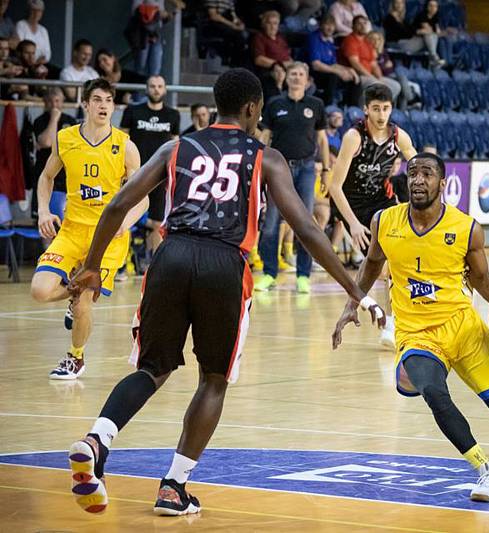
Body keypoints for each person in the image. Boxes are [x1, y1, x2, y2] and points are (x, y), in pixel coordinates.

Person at [65, 68, 385, 516]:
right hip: (224, 264)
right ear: (253, 109)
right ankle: (174, 487)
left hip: (170, 256)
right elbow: (307, 228)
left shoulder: (177, 145)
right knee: (214, 378)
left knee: (152, 367)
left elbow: (119, 204)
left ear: (216, 104)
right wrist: (357, 291)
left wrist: (94, 267)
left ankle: (98, 438)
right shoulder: (265, 156)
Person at [332, 153, 489, 502]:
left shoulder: (466, 228)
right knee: (435, 394)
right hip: (415, 333)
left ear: (442, 183)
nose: (418, 180)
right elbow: (372, 264)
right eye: (413, 174)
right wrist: (352, 303)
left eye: (427, 174)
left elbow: (484, 281)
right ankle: (487, 471)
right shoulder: (385, 221)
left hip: (463, 329)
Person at [30, 78, 147, 380]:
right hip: (71, 230)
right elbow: (46, 177)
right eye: (97, 99)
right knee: (40, 291)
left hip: (107, 238)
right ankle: (74, 289)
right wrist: (44, 211)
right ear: (85, 104)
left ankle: (75, 357)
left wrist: (126, 221)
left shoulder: (125, 146)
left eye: (109, 100)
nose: (104, 105)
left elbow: (142, 198)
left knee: (83, 305)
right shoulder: (65, 138)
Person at [329, 83, 415, 347]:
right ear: (366, 109)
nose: (381, 114)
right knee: (377, 267)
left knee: (395, 263)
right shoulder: (354, 137)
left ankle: (391, 323)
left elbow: (418, 162)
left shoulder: (398, 136)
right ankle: (371, 309)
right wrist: (352, 224)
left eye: (386, 108)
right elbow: (334, 186)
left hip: (382, 201)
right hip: (353, 204)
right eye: (376, 108)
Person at [256, 61, 330, 293]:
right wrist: (256, 165)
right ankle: (269, 274)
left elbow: (322, 139)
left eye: (301, 74)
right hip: (278, 170)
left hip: (307, 169)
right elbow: (265, 136)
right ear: (286, 78)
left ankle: (303, 276)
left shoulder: (316, 105)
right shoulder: (275, 104)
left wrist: (326, 169)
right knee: (270, 225)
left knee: (305, 223)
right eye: (293, 74)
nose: (297, 77)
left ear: (307, 80)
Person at [120, 75, 181, 253]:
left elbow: (175, 145)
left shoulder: (173, 115)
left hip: (161, 175)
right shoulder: (132, 111)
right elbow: (122, 141)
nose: (156, 89)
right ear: (147, 89)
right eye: (152, 86)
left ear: (165, 90)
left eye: (160, 86)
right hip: (135, 173)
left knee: (157, 222)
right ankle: (125, 262)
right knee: (126, 215)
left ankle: (152, 263)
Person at [30, 87, 78, 225]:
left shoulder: (71, 121)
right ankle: (47, 247)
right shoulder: (40, 121)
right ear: (45, 102)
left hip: (65, 178)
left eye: (57, 101)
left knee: (64, 222)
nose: (54, 105)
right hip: (45, 175)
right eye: (50, 101)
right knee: (45, 221)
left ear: (63, 102)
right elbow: (46, 142)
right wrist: (54, 119)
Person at [340, 16, 401, 103]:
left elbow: (374, 64)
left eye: (364, 23)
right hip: (358, 75)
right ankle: (364, 111)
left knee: (395, 86)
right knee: (378, 86)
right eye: (359, 23)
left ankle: (380, 109)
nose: (362, 25)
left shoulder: (366, 42)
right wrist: (371, 77)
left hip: (369, 75)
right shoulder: (350, 40)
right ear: (353, 26)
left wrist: (379, 78)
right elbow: (355, 64)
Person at [307, 13, 360, 107]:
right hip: (312, 72)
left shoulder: (330, 41)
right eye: (327, 24)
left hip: (326, 71)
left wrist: (348, 70)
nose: (330, 28)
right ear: (321, 25)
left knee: (354, 76)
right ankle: (328, 107)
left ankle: (352, 109)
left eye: (332, 25)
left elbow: (334, 64)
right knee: (333, 76)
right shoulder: (314, 38)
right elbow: (316, 65)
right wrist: (338, 72)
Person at [383, 0, 441, 65]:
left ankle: (433, 57)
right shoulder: (389, 18)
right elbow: (400, 33)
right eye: (397, 3)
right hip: (397, 43)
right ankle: (433, 57)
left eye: (401, 3)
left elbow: (410, 29)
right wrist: (418, 31)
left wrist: (419, 31)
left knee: (430, 34)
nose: (399, 5)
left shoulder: (402, 18)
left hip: (407, 41)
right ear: (393, 4)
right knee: (429, 35)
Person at [202, 0, 247, 66]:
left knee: (243, 34)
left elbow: (233, 16)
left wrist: (240, 23)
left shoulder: (229, 1)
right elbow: (213, 16)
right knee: (236, 36)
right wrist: (232, 25)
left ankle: (236, 62)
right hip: (212, 25)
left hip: (227, 25)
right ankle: (231, 61)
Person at [252, 11, 292, 75]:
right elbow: (258, 60)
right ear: (263, 24)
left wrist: (293, 65)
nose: (272, 27)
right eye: (269, 23)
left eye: (275, 23)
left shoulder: (280, 38)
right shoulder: (259, 37)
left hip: (287, 70)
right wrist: (280, 64)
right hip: (273, 71)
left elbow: (287, 56)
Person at [15, 0, 50, 65]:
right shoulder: (21, 25)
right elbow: (21, 47)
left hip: (40, 65)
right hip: (24, 64)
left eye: (39, 11)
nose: (36, 13)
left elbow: (47, 54)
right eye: (33, 10)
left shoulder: (43, 30)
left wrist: (40, 61)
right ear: (28, 11)